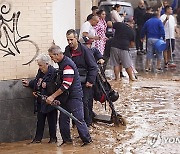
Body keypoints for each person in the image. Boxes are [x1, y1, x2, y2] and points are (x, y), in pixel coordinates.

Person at [47, 45, 92, 146]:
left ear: (57, 55)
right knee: (63, 120)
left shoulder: (67, 65)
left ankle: (87, 140)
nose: (51, 59)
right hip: (66, 97)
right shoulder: (62, 63)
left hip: (74, 96)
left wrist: (53, 96)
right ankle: (67, 141)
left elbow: (66, 85)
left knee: (79, 119)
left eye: (52, 57)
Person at [64, 29, 98, 127]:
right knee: (74, 103)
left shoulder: (85, 50)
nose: (70, 42)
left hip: (85, 82)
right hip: (73, 82)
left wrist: (90, 81)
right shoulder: (67, 50)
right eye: (68, 40)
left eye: (71, 40)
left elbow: (93, 66)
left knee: (85, 103)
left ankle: (87, 124)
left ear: (76, 39)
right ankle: (76, 124)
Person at [22, 54, 57, 144]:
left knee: (52, 121)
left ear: (46, 64)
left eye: (41, 65)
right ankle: (37, 139)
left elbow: (56, 86)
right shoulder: (40, 71)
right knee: (40, 121)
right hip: (40, 100)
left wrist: (47, 86)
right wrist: (30, 84)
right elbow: (37, 81)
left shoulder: (53, 72)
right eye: (39, 65)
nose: (40, 67)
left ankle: (53, 139)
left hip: (50, 101)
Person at [108, 17, 136, 81]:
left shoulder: (120, 24)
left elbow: (109, 23)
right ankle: (131, 78)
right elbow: (132, 44)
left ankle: (117, 78)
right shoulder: (132, 31)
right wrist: (128, 46)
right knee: (127, 64)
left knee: (116, 64)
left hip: (114, 46)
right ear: (132, 24)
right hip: (124, 47)